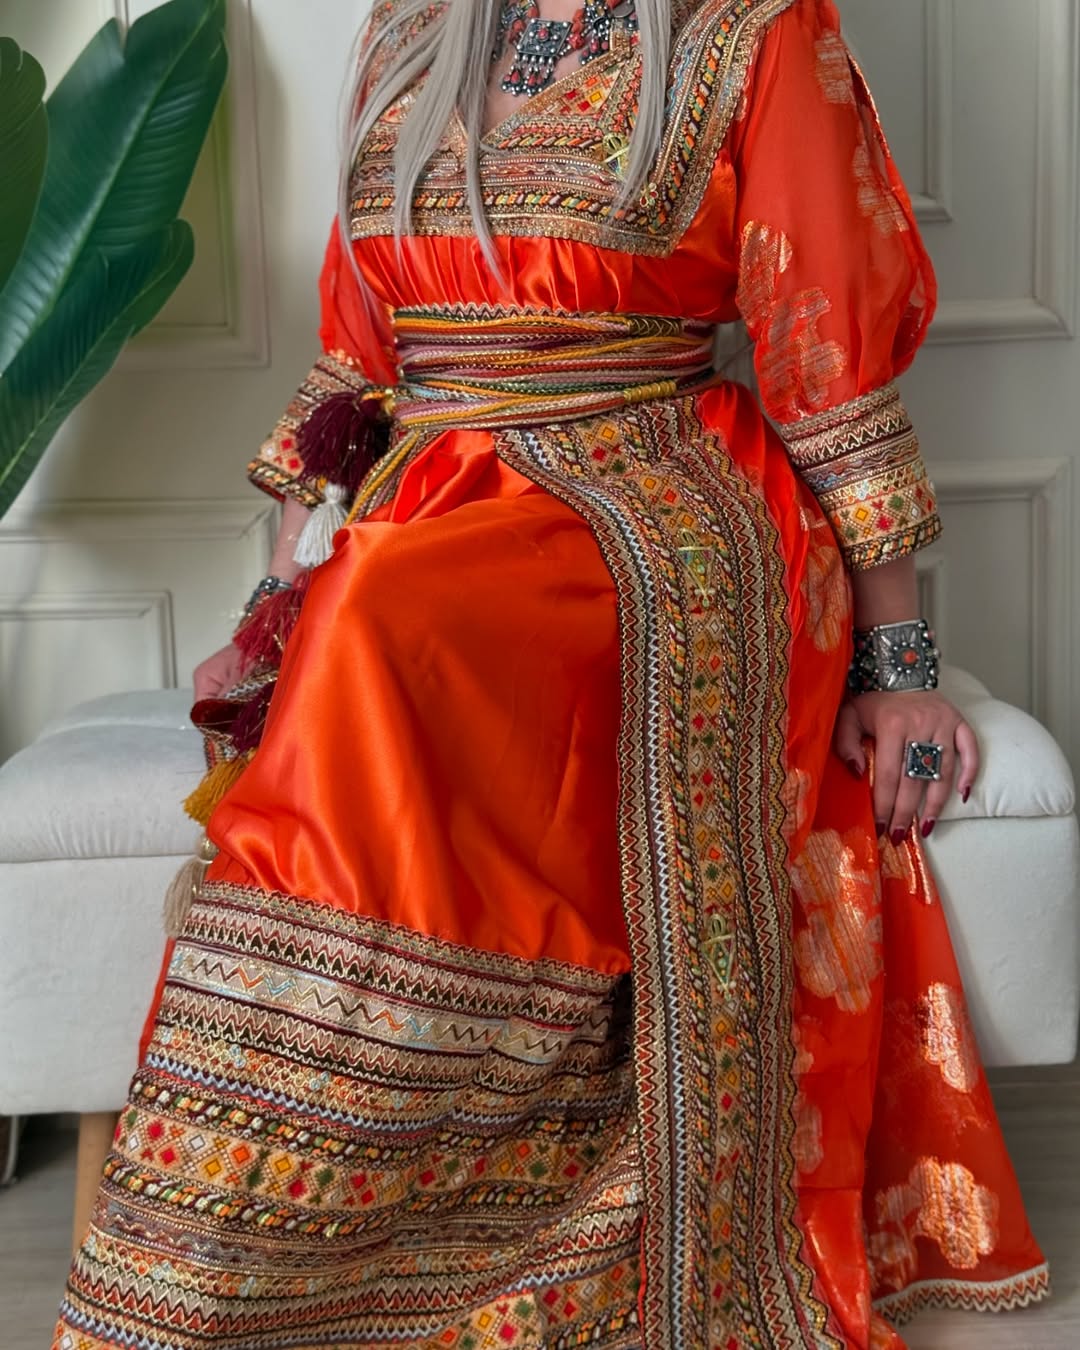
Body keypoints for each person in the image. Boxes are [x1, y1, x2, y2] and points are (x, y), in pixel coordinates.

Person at [55, 1, 1049, 1346]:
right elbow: (355, 358)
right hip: (422, 501)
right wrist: (285, 579)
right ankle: (283, 1248)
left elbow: (825, 355)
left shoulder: (755, 28)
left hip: (650, 493)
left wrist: (900, 659)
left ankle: (353, 1249)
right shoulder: (409, 27)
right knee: (358, 618)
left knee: (385, 621)